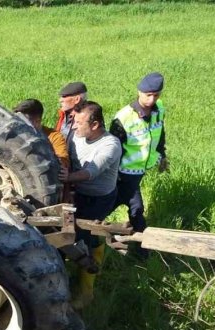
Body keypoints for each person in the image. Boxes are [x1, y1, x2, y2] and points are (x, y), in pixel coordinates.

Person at [59, 101, 121, 309]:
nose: (74, 127)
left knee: (87, 237)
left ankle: (86, 292)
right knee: (70, 233)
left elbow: (90, 172)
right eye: (73, 122)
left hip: (98, 199)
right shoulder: (77, 135)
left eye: (79, 122)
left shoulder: (110, 146)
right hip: (77, 192)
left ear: (94, 125)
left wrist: (67, 178)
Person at [109, 72, 168, 256]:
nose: (151, 100)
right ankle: (143, 250)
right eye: (147, 95)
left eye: (156, 95)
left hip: (140, 170)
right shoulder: (124, 117)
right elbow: (113, 148)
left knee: (115, 202)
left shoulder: (159, 109)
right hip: (124, 172)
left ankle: (96, 230)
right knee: (135, 207)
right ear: (139, 92)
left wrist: (162, 155)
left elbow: (160, 134)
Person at [13, 98, 71, 176]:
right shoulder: (15, 134)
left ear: (37, 121)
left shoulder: (54, 136)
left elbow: (63, 161)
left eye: (23, 122)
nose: (19, 124)